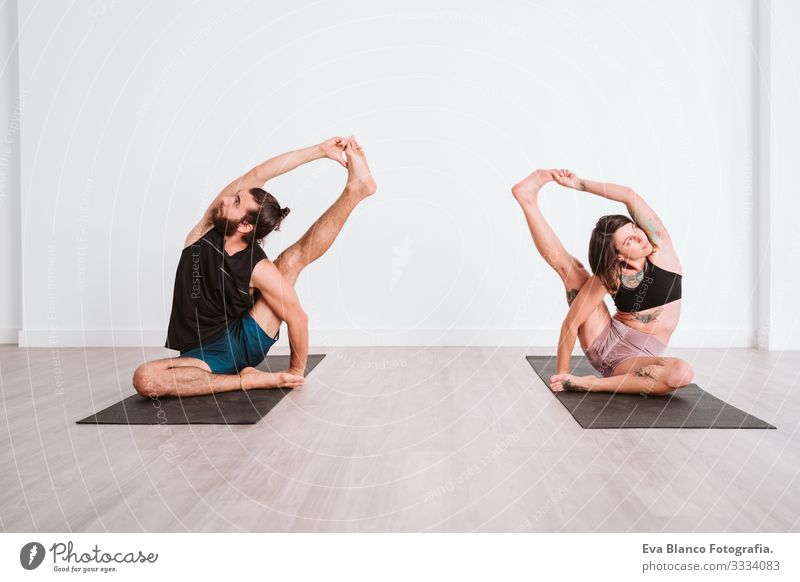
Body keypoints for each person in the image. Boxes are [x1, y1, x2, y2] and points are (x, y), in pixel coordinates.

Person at [132, 136, 376, 397]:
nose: (225, 200)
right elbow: (259, 173)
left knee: (291, 261)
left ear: (246, 226)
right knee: (147, 379)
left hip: (241, 343)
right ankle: (246, 379)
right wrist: (319, 151)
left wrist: (296, 371)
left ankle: (355, 191)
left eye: (236, 202)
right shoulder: (203, 232)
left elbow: (297, 317)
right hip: (199, 354)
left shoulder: (257, 267)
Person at [511, 168, 693, 395]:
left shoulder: (661, 247)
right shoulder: (611, 275)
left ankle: (591, 383)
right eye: (629, 241)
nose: (640, 237)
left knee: (682, 373)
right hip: (607, 347)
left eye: (635, 229)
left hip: (640, 358)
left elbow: (628, 195)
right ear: (618, 255)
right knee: (574, 272)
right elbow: (571, 324)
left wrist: (579, 184)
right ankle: (528, 201)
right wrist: (562, 375)